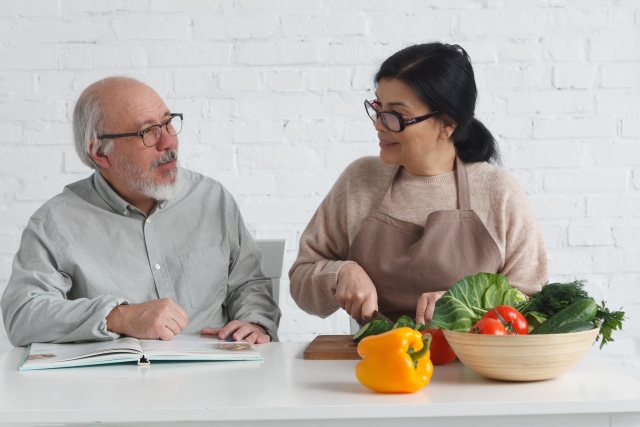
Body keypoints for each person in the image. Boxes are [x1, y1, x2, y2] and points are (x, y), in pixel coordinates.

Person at [1, 77, 280, 347]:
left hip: (217, 382)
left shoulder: (212, 199)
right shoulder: (55, 222)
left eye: (168, 123)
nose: (168, 142)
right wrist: (118, 317)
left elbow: (248, 283)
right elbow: (22, 314)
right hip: (114, 389)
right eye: (148, 132)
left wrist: (255, 323)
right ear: (100, 152)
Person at [289, 43, 548, 325]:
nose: (379, 124)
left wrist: (465, 306)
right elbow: (301, 280)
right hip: (378, 361)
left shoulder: (499, 192)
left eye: (397, 116)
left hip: (474, 365)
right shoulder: (360, 180)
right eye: (378, 107)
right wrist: (340, 272)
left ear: (446, 124)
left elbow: (533, 303)